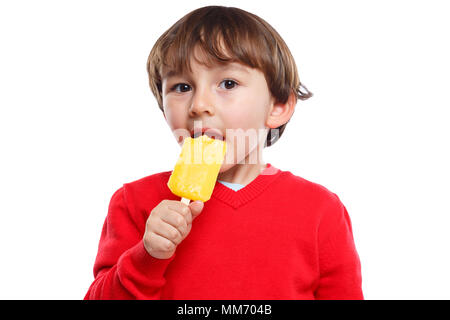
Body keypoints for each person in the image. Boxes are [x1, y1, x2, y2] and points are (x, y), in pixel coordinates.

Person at [84, 5, 363, 300]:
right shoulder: (133, 203)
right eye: (181, 86)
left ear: (277, 107)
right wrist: (147, 255)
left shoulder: (321, 211)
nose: (199, 104)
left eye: (228, 83)